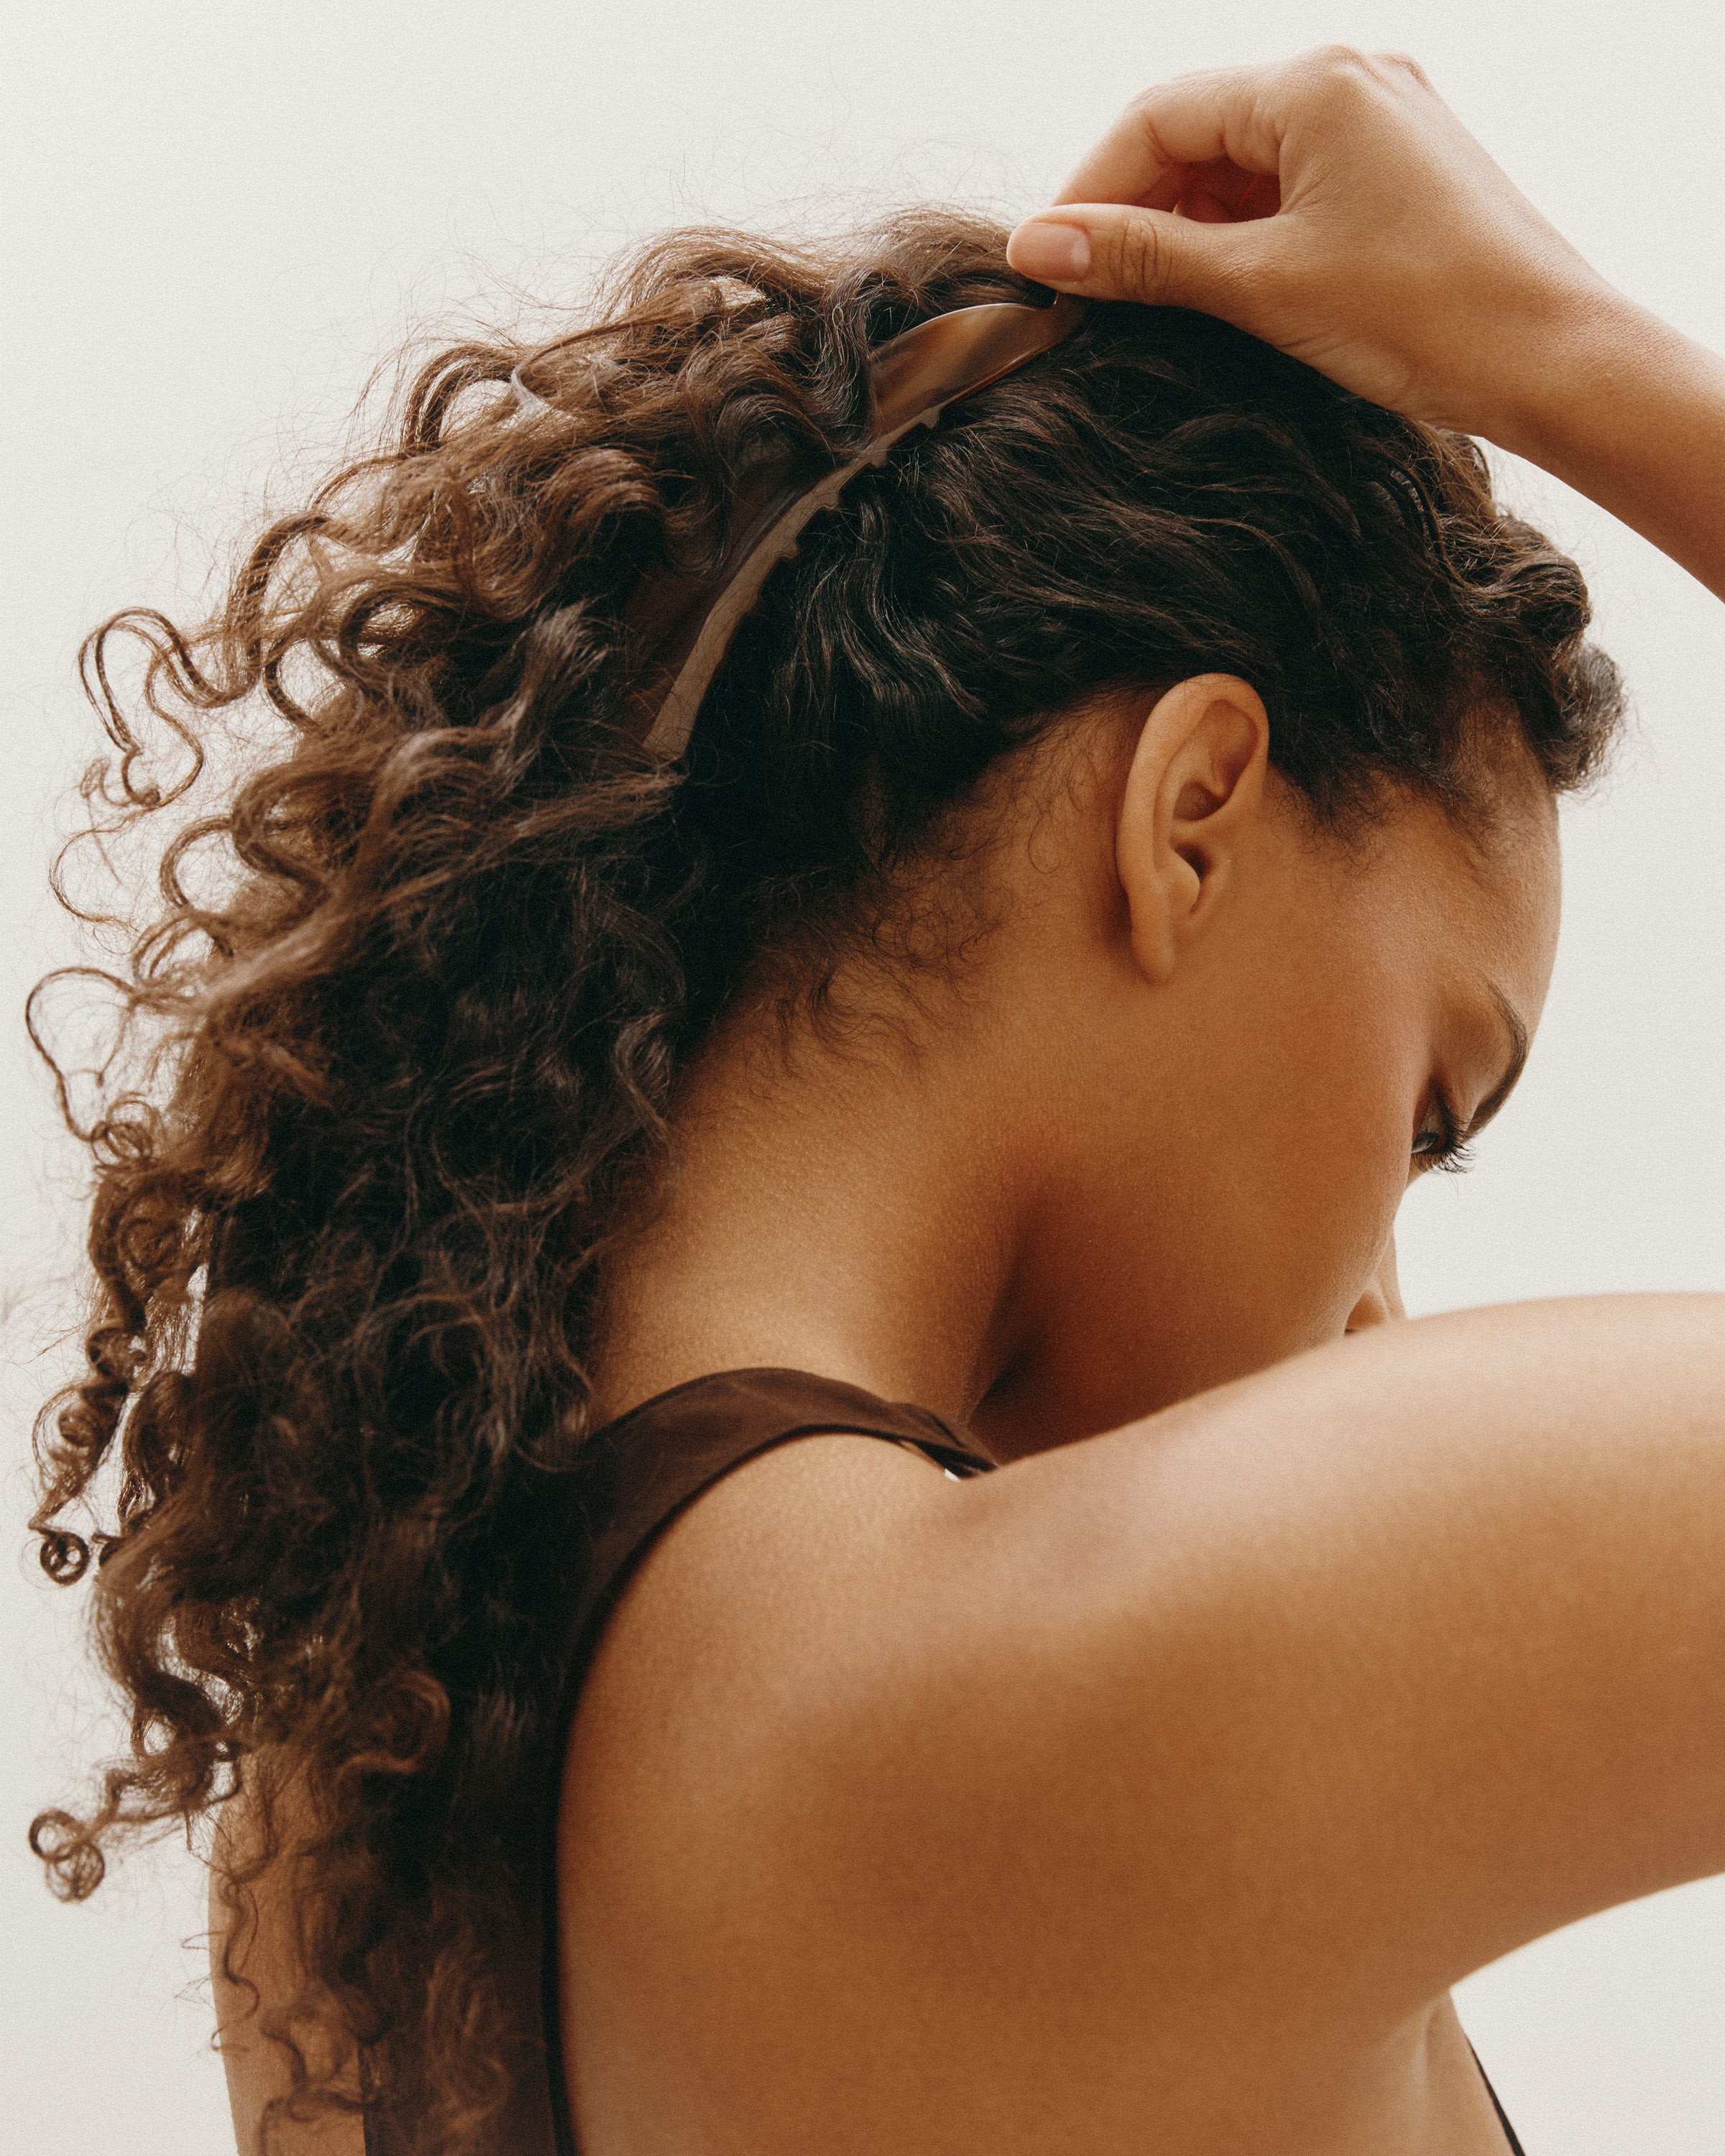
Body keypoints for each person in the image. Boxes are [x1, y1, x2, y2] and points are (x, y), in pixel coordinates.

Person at [24, 42, 1725, 2156]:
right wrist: (1578, 362)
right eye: (1426, 1111)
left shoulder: (356, 1821)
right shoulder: (1068, 1685)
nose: (1383, 1307)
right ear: (1190, 816)